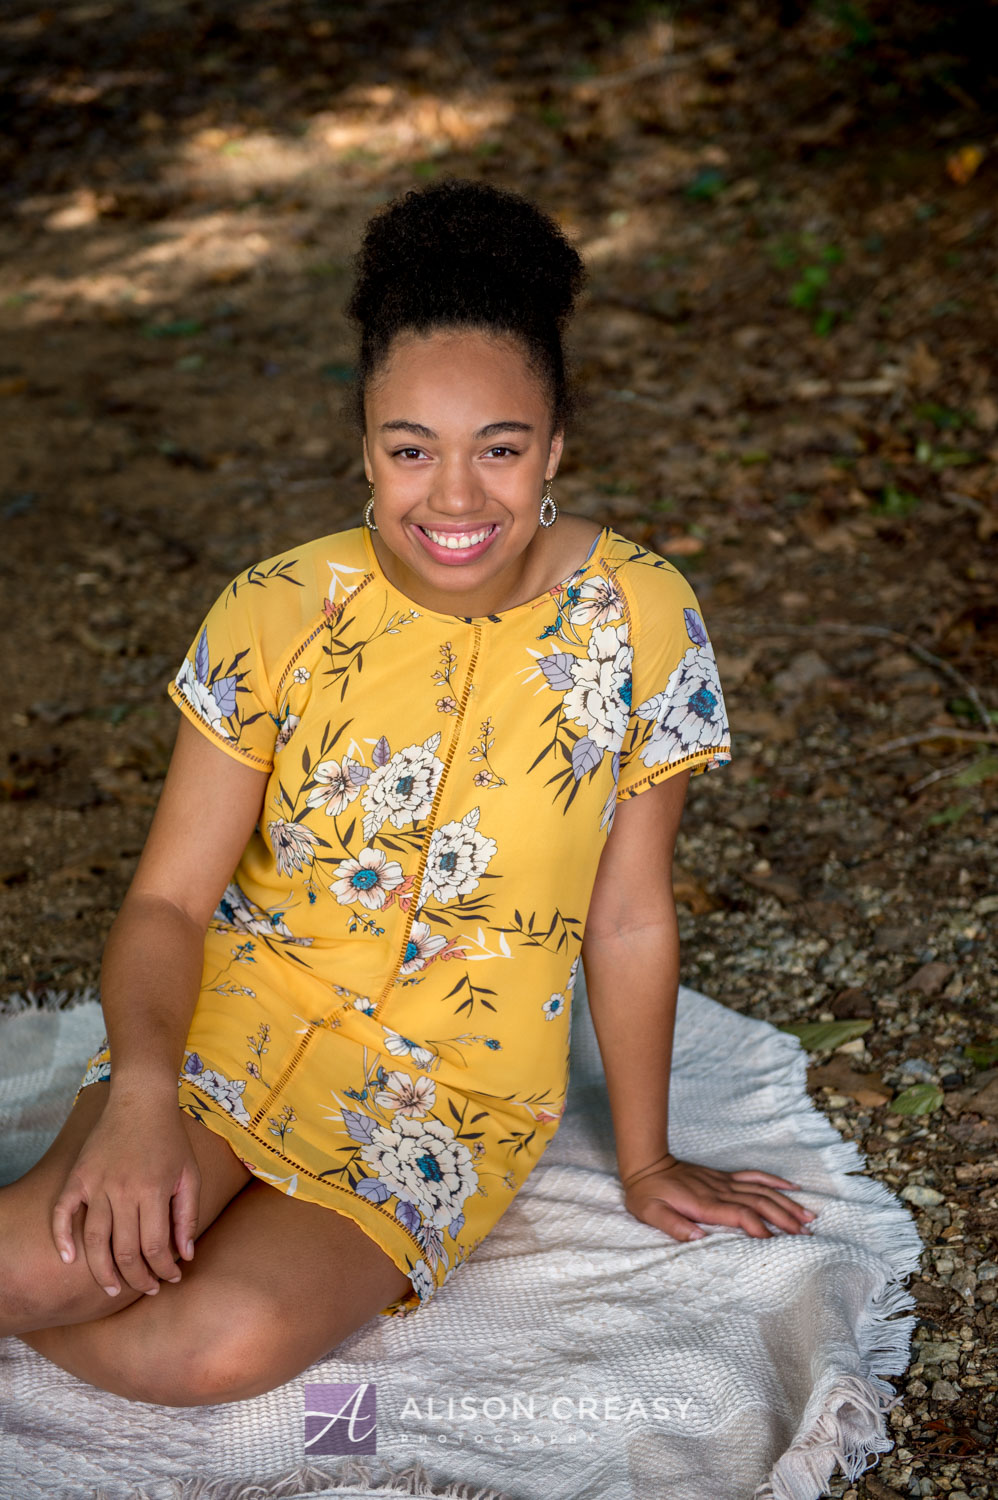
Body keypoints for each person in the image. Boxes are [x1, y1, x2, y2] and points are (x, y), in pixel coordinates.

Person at [0, 179, 817, 1408]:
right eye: (409, 450)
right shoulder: (275, 607)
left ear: (554, 446)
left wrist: (643, 1162)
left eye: (497, 448)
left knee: (206, 1345)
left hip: (451, 1093)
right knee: (37, 1269)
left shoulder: (642, 617)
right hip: (243, 1016)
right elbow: (170, 900)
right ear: (363, 449)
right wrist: (144, 1099)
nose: (452, 497)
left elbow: (631, 911)